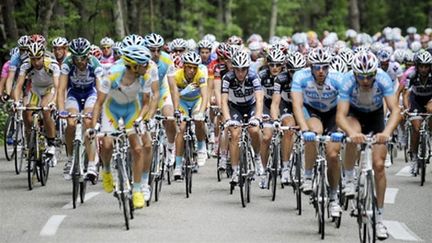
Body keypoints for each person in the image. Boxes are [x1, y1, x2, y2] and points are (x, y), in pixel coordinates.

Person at [337, 51, 400, 240]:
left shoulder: (383, 79)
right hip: (355, 114)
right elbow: (340, 116)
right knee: (352, 136)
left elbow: (395, 110)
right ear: (355, 73)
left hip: (375, 117)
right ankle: (349, 179)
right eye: (361, 76)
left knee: (379, 166)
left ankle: (379, 219)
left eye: (369, 76)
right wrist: (351, 133)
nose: (365, 80)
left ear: (375, 72)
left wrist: (387, 133)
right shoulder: (347, 81)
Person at [89, 45, 158, 209]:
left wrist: (141, 119)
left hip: (131, 110)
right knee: (107, 144)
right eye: (144, 64)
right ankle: (106, 170)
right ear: (134, 66)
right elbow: (98, 103)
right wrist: (94, 127)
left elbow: (147, 103)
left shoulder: (145, 77)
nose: (147, 67)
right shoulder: (112, 76)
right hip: (111, 109)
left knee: (138, 149)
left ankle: (137, 190)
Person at [291, 48, 344, 218]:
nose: (321, 71)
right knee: (313, 134)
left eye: (325, 67)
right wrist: (304, 129)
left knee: (333, 154)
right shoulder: (300, 77)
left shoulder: (338, 78)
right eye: (317, 67)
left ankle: (334, 197)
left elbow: (347, 106)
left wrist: (342, 130)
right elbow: (297, 106)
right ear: (310, 66)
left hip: (333, 113)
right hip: (311, 111)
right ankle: (307, 176)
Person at [57, 37, 103, 183]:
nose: (79, 62)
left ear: (87, 55)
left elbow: (100, 90)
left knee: (89, 122)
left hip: (90, 93)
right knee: (70, 123)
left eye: (82, 58)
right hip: (74, 94)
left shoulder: (95, 64)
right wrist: (61, 110)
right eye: (76, 58)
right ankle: (70, 158)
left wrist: (96, 111)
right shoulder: (67, 64)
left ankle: (91, 165)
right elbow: (61, 89)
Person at [221, 50, 263, 184]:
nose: (240, 73)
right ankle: (235, 170)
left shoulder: (254, 76)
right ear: (233, 69)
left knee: (254, 130)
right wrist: (227, 119)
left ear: (248, 69)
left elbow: (259, 99)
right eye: (237, 70)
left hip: (251, 106)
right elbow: (223, 101)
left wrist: (257, 117)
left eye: (243, 70)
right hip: (235, 108)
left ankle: (257, 157)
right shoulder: (227, 78)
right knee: (234, 133)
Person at [13, 42, 60, 163]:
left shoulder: (52, 64)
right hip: (35, 90)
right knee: (27, 114)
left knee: (45, 109)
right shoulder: (26, 65)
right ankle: (31, 146)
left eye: (38, 58)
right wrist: (16, 102)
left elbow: (58, 86)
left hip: (50, 89)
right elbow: (18, 86)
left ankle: (51, 144)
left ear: (43, 56)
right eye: (33, 59)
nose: (36, 62)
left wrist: (54, 102)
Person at [170, 52, 208, 179]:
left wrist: (201, 112)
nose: (192, 70)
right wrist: (176, 109)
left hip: (196, 101)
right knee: (180, 129)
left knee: (198, 120)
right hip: (182, 102)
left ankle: (202, 147)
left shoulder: (200, 75)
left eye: (194, 67)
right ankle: (178, 166)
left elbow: (205, 95)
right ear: (184, 66)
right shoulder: (177, 75)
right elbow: (173, 95)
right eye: (189, 67)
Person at [258, 48, 286, 188]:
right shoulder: (262, 75)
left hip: (283, 106)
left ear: (283, 65)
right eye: (271, 65)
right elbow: (257, 96)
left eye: (278, 65)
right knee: (266, 137)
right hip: (267, 106)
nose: (274, 68)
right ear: (267, 64)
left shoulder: (287, 76)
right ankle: (263, 170)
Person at [403, 50, 432, 175]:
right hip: (416, 101)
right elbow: (406, 94)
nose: (424, 69)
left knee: (431, 111)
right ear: (417, 66)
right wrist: (406, 108)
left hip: (430, 99)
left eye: (427, 66)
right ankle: (414, 158)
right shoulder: (412, 76)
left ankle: (429, 136)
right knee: (416, 129)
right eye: (421, 66)